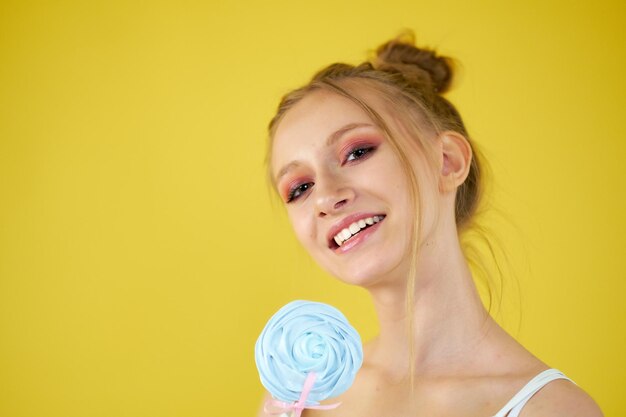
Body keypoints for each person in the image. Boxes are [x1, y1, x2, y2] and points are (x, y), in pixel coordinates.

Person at [259, 34, 602, 417]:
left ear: (447, 161)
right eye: (300, 188)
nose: (324, 198)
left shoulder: (551, 410)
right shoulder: (299, 398)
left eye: (357, 152)